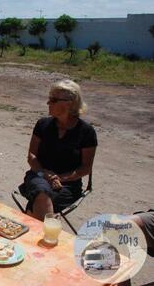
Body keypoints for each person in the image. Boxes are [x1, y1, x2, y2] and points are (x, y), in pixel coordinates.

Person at [21, 79, 97, 221]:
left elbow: (86, 168)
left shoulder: (86, 132)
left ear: (70, 103)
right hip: (37, 176)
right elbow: (32, 156)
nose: (48, 103)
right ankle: (47, 231)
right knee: (42, 190)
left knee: (40, 198)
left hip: (67, 185)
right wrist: (44, 174)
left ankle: (33, 225)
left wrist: (60, 178)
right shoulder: (43, 124)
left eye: (53, 99)